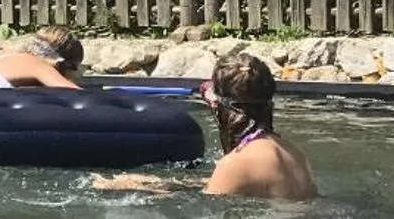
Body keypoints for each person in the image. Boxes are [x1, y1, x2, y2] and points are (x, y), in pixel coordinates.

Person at [92, 54, 318, 200]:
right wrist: (155, 185)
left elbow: (208, 205)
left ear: (222, 108)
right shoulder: (295, 154)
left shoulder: (236, 163)